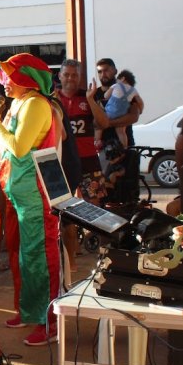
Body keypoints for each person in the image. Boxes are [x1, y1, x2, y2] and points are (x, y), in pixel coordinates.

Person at [0, 53, 63, 346]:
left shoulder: (35, 104)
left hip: (34, 194)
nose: (3, 82)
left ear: (26, 79)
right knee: (21, 255)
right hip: (17, 192)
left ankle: (50, 322)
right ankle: (29, 311)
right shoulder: (19, 103)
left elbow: (18, 147)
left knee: (39, 257)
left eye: (8, 76)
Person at [55, 59, 106, 271]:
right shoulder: (52, 98)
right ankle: (71, 260)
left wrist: (91, 100)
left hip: (88, 160)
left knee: (95, 208)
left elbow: (104, 123)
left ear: (80, 77)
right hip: (63, 161)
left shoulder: (89, 96)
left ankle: (103, 255)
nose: (70, 78)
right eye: (66, 74)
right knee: (65, 211)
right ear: (60, 76)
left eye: (74, 75)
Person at [101, 69, 140, 149]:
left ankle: (97, 141)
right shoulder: (133, 90)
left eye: (117, 79)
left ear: (122, 79)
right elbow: (140, 102)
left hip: (111, 112)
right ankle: (124, 148)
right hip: (122, 115)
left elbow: (106, 96)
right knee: (121, 132)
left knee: (99, 125)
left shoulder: (116, 86)